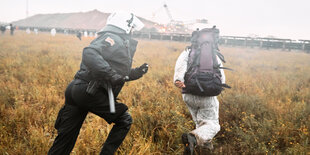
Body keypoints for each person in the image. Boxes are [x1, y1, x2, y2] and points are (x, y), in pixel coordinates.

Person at [48, 12, 148, 155]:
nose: (132, 31)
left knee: (65, 140)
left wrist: (137, 72)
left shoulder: (115, 39)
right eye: (132, 27)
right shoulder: (112, 38)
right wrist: (111, 75)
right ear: (125, 26)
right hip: (89, 92)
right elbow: (90, 53)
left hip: (77, 90)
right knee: (124, 120)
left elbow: (116, 74)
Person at [174, 27, 227, 154]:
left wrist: (178, 80)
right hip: (207, 96)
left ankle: (204, 149)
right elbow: (222, 78)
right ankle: (192, 138)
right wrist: (218, 86)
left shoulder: (187, 52)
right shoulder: (213, 54)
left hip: (188, 93)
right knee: (212, 125)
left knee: (201, 123)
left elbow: (180, 67)